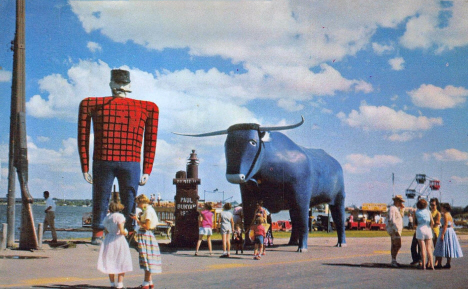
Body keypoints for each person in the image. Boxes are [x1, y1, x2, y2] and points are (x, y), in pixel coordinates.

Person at [78, 69, 159, 245]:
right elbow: (82, 136)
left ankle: (128, 232)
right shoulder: (91, 104)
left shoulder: (148, 107)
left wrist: (147, 168)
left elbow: (151, 139)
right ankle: (100, 231)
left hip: (124, 160)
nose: (120, 87)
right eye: (118, 83)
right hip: (107, 159)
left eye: (123, 84)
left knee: (127, 198)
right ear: (112, 84)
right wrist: (84, 166)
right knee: (102, 196)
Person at [97, 201, 133, 289]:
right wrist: (127, 232)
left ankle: (112, 284)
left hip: (109, 239)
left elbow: (106, 231)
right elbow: (121, 231)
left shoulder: (107, 217)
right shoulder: (119, 217)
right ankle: (120, 284)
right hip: (118, 239)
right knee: (122, 260)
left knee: (110, 261)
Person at [130, 194, 162, 289]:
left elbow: (147, 226)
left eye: (138, 203)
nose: (137, 205)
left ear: (142, 202)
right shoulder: (149, 210)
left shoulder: (148, 211)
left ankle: (145, 283)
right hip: (146, 235)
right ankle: (149, 281)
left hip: (146, 235)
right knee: (147, 259)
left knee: (146, 259)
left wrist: (137, 220)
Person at [434, 203, 463, 269]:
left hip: (446, 230)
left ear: (444, 208)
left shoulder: (445, 215)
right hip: (450, 230)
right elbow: (451, 224)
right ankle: (448, 263)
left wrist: (442, 234)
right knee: (449, 247)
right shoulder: (449, 214)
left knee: (440, 246)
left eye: (442, 207)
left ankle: (439, 264)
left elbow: (445, 225)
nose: (441, 208)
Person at [415, 198, 435, 270]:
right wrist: (430, 227)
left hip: (420, 229)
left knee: (422, 248)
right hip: (428, 229)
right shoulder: (428, 212)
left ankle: (423, 265)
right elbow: (432, 222)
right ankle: (432, 265)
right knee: (429, 248)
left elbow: (415, 223)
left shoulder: (416, 212)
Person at [386, 195, 404, 267]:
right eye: (400, 201)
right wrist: (395, 230)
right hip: (394, 230)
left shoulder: (396, 209)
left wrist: (402, 209)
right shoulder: (392, 208)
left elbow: (400, 217)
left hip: (396, 229)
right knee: (397, 244)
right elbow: (391, 219)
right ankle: (393, 260)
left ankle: (394, 260)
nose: (401, 203)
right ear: (396, 201)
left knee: (394, 244)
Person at [430, 198, 441, 266]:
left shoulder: (438, 213)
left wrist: (431, 223)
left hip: (435, 231)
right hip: (429, 231)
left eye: (433, 205)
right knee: (429, 247)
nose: (432, 206)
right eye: (431, 204)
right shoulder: (429, 212)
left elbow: (437, 222)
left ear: (436, 205)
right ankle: (429, 261)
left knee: (436, 247)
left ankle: (437, 261)